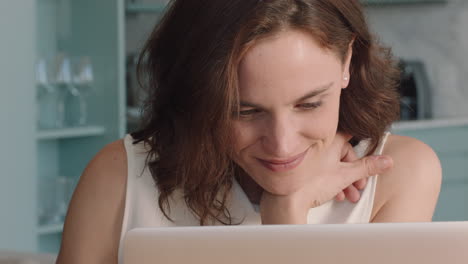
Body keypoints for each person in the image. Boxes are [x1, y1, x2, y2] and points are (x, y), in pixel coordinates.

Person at [56, 0, 442, 263]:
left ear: (347, 61)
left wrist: (286, 218)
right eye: (244, 111)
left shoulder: (399, 176)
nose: (282, 144)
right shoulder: (119, 178)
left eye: (310, 104)